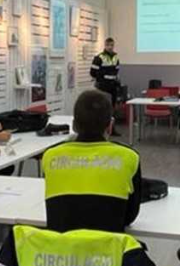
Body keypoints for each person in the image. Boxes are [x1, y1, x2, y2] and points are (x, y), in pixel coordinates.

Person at [42, 89, 141, 233]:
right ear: (110, 126)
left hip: (61, 252)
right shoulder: (129, 157)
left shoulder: (50, 156)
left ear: (74, 125)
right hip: (107, 253)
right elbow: (129, 217)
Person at [90, 37, 122, 136]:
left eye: (112, 45)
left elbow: (117, 70)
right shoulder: (99, 57)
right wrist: (101, 79)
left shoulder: (116, 57)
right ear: (105, 45)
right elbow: (93, 72)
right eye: (108, 45)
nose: (110, 47)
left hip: (113, 86)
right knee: (102, 108)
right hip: (103, 86)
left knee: (112, 109)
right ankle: (101, 130)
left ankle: (112, 129)